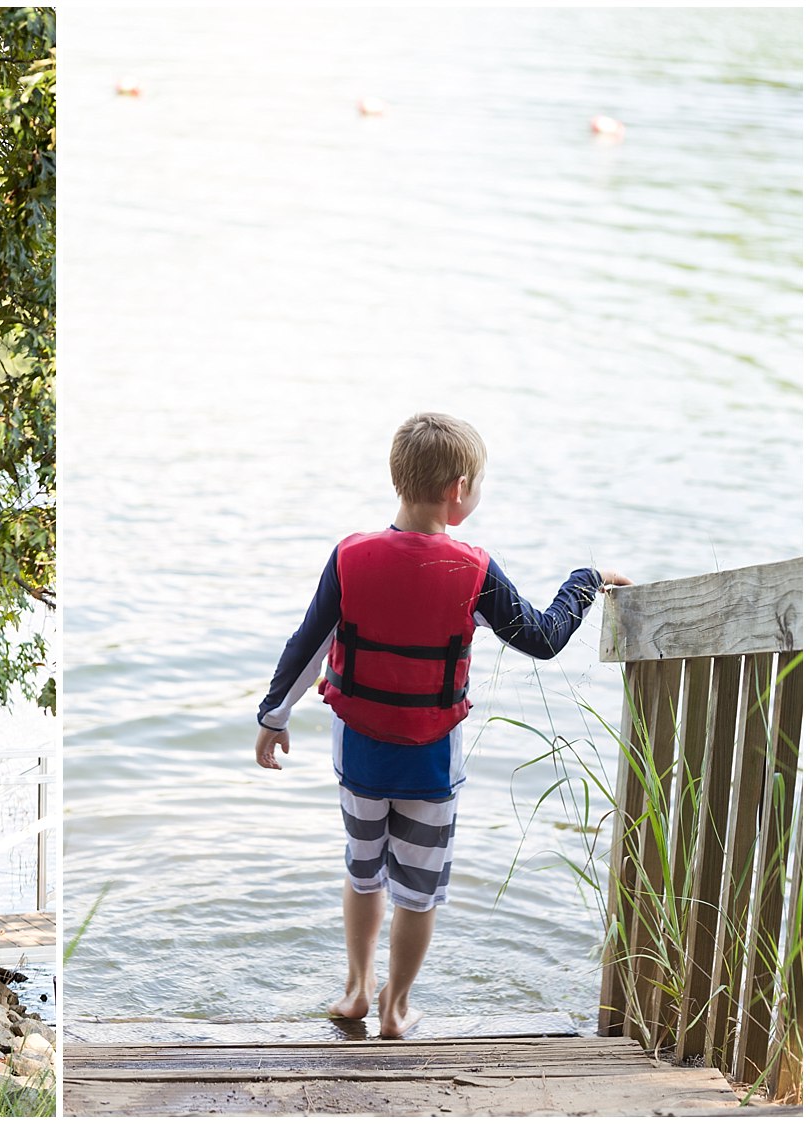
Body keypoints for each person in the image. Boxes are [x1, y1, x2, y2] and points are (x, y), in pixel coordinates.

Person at [253, 412, 631, 1038]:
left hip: (360, 756)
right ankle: (396, 1008)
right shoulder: (473, 569)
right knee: (418, 889)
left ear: (397, 478)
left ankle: (354, 990)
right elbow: (541, 637)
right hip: (431, 763)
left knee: (361, 866)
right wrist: (584, 582)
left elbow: (308, 644)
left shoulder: (351, 556)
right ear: (459, 490)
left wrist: (274, 715)